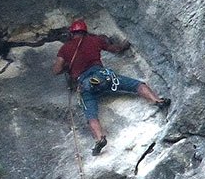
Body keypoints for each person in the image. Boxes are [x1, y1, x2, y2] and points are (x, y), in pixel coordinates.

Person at [52, 19, 170, 155]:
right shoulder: (94, 40)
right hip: (103, 76)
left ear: (72, 33)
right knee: (137, 85)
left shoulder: (65, 48)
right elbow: (116, 49)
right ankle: (157, 100)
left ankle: (99, 138)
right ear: (85, 32)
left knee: (91, 115)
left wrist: (68, 67)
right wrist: (124, 44)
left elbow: (56, 70)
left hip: (85, 84)